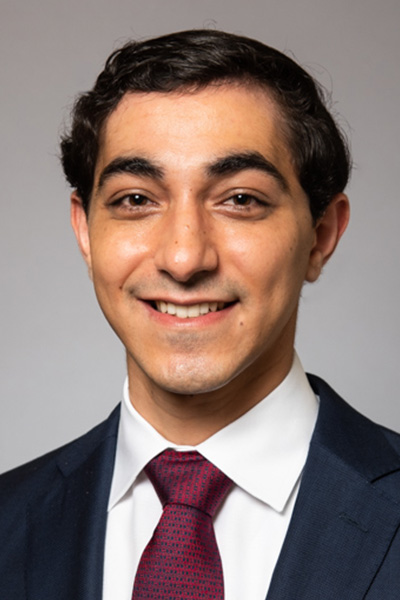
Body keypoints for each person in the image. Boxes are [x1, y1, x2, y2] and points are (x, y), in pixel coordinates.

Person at [1, 29, 400, 600]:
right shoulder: (10, 521)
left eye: (240, 199)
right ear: (86, 231)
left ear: (321, 235)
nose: (184, 258)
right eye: (136, 200)